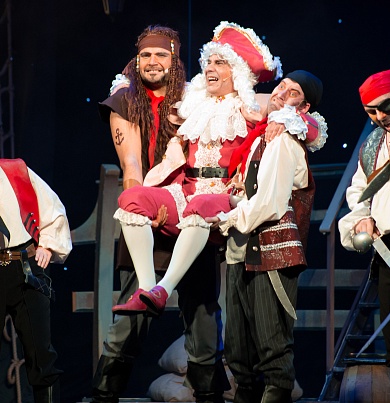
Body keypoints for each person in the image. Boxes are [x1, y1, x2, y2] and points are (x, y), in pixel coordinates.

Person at [92, 25, 232, 403]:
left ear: (175, 59)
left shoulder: (195, 98)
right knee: (134, 311)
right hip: (146, 214)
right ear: (136, 60)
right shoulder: (124, 100)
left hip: (190, 211)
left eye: (161, 55)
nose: (153, 61)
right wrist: (143, 202)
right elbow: (131, 163)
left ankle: (208, 395)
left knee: (202, 311)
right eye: (146, 55)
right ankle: (104, 395)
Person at [111, 21, 283, 320]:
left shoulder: (251, 105)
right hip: (187, 189)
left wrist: (282, 119)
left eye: (219, 63)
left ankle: (163, 289)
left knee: (200, 207)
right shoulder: (194, 104)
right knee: (132, 199)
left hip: (224, 193)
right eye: (208, 62)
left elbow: (299, 110)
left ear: (237, 72)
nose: (209, 68)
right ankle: (147, 289)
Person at [207, 70, 325, 402]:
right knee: (239, 352)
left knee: (272, 347)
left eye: (293, 92)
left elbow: (271, 203)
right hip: (242, 251)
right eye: (281, 86)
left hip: (273, 252)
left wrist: (228, 218)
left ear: (303, 108)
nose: (281, 93)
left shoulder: (283, 140)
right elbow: (252, 194)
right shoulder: (261, 137)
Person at [339, 69, 390, 402]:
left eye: (385, 106)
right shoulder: (372, 146)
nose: (381, 117)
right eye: (372, 112)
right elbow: (359, 193)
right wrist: (363, 219)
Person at [0, 158, 72, 403]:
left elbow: (52, 207)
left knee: (42, 358)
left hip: (26, 267)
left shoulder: (15, 170)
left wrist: (47, 245)